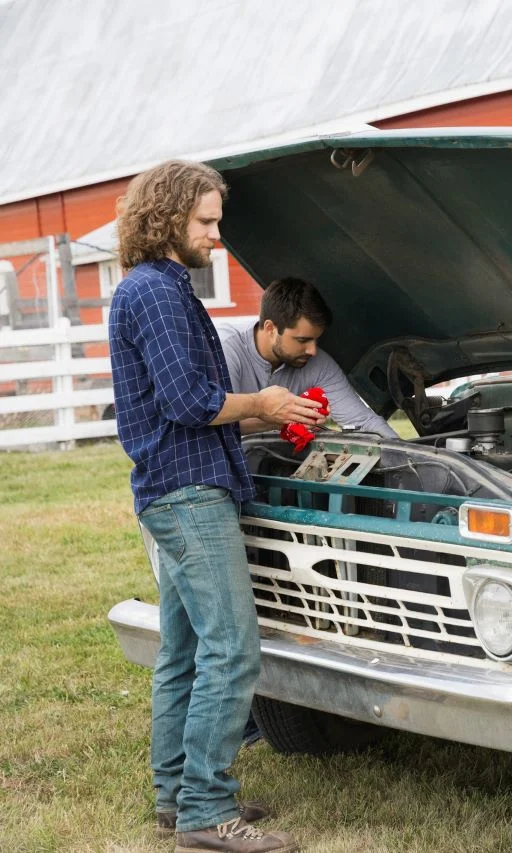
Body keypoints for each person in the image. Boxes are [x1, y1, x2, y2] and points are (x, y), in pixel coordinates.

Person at [108, 160, 321, 853]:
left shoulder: (157, 290)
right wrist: (258, 402)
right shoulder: (158, 295)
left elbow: (189, 408)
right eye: (206, 221)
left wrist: (266, 411)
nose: (216, 234)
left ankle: (176, 795)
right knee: (233, 647)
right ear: (168, 217)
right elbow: (190, 403)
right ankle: (205, 812)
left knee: (186, 649)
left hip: (173, 486)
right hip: (189, 493)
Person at [215, 277, 398, 439]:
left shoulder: (318, 363)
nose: (312, 351)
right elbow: (218, 422)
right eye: (302, 340)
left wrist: (409, 455)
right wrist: (282, 419)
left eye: (316, 340)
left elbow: (362, 422)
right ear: (270, 328)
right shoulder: (225, 348)